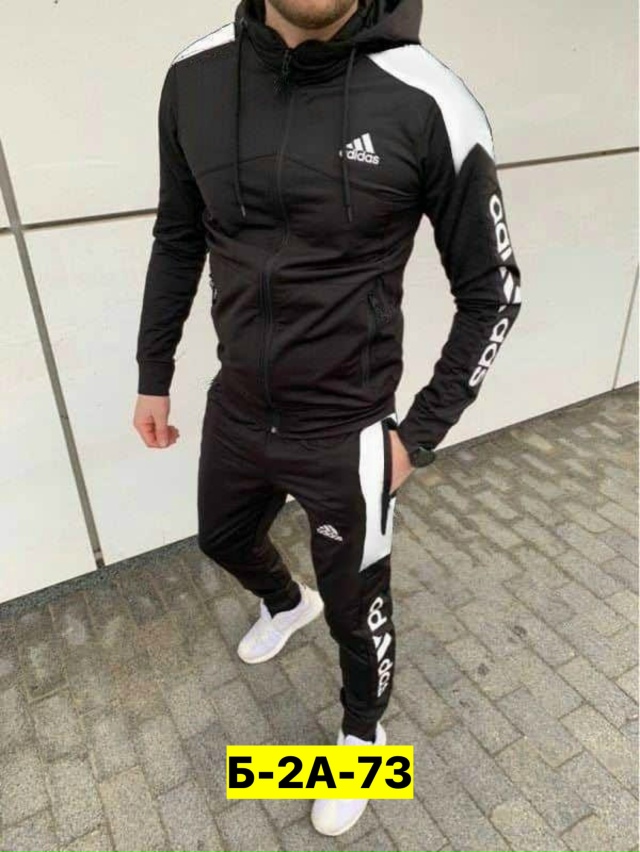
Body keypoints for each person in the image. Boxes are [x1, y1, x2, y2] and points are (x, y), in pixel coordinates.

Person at [133, 0, 522, 836]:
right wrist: (152, 374)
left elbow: (495, 294)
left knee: (358, 609)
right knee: (221, 540)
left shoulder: (428, 98)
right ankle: (285, 605)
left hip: (348, 426)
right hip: (239, 406)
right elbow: (177, 236)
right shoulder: (194, 77)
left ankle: (361, 741)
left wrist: (416, 438)